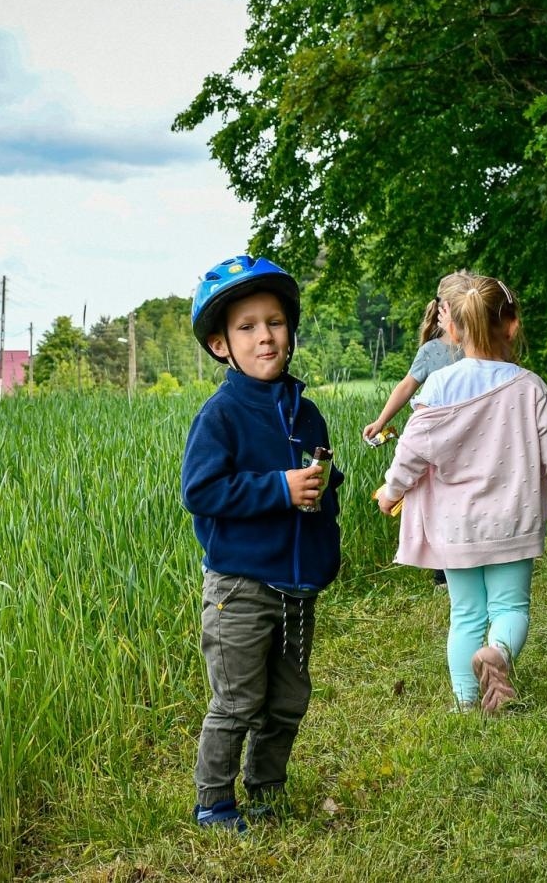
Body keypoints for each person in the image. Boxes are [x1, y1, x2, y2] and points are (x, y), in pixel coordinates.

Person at [377, 273, 547, 713]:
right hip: (513, 521)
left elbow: (412, 449)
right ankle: (498, 653)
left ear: (454, 329)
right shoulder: (530, 387)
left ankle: (466, 705)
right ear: (513, 325)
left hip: (456, 526)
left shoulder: (440, 386)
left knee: (465, 614)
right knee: (511, 607)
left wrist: (392, 491)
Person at [181, 254, 344, 830]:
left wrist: (322, 489)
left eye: (274, 322)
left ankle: (267, 790)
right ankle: (214, 801)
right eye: (246, 327)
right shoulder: (221, 414)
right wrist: (280, 487)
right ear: (220, 344)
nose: (264, 336)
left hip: (298, 585)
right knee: (237, 700)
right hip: (241, 585)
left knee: (287, 700)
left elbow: (316, 488)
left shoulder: (307, 413)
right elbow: (201, 490)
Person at [363, 271, 470, 588]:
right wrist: (381, 421)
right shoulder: (431, 352)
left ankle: (475, 558)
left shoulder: (479, 347)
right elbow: (407, 386)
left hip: (472, 439)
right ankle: (442, 574)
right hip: (438, 443)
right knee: (439, 505)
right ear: (445, 310)